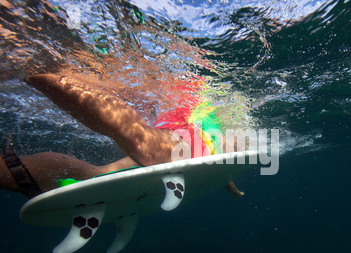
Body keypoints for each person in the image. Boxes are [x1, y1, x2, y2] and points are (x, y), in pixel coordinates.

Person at [0, 73, 244, 199]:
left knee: (97, 173)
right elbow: (223, 150)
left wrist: (227, 180)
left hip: (184, 138)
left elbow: (221, 158)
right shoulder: (215, 124)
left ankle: (18, 171)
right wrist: (226, 176)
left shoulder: (217, 129)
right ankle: (35, 69)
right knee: (143, 145)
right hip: (189, 138)